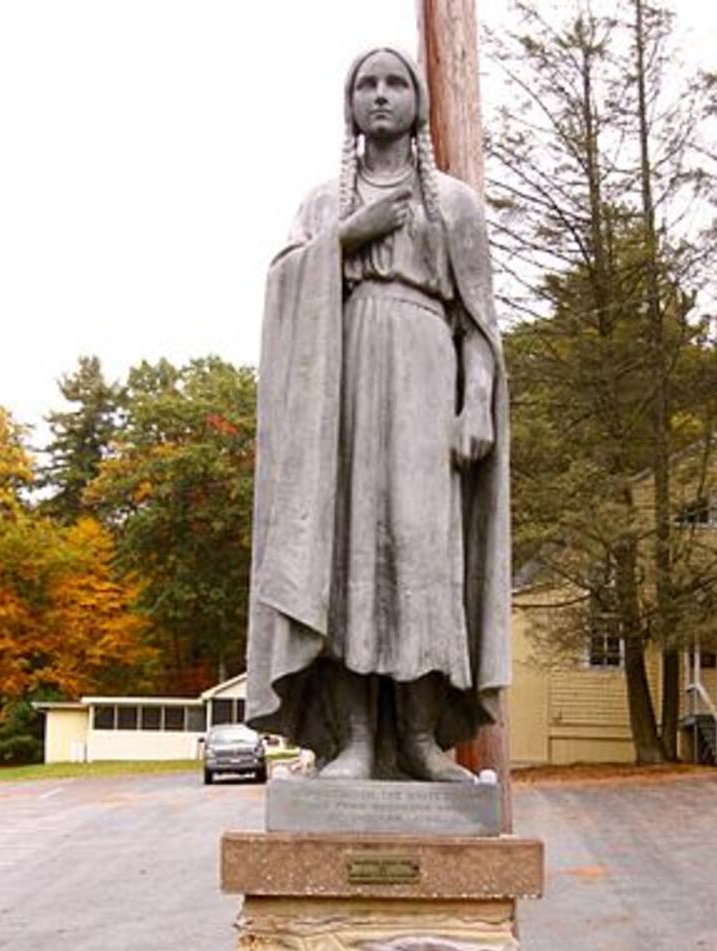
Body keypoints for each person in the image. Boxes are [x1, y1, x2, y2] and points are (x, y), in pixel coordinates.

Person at [246, 46, 510, 781]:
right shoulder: (321, 202)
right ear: (350, 102)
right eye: (368, 84)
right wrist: (349, 235)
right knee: (346, 552)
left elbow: (479, 322)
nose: (382, 95)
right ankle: (354, 740)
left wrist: (476, 402)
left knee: (423, 554)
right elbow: (283, 289)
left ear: (418, 101)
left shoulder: (452, 204)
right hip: (342, 387)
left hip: (427, 372)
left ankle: (423, 741)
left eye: (396, 83)